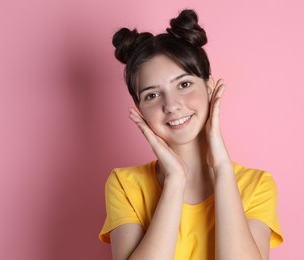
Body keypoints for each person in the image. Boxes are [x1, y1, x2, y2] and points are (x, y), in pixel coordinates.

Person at [99, 9, 283, 260]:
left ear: (209, 87)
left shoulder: (256, 185)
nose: (171, 105)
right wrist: (176, 180)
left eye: (184, 84)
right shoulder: (125, 184)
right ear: (140, 110)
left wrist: (222, 169)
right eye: (152, 95)